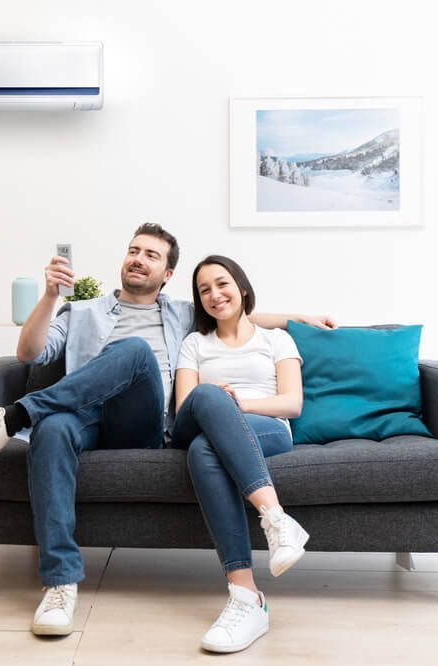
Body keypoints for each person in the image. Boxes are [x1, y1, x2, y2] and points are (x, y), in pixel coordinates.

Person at [0, 223, 334, 637]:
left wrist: (298, 319)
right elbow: (28, 353)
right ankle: (60, 583)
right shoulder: (82, 311)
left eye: (151, 255)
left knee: (134, 350)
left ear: (167, 274)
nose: (138, 259)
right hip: (81, 417)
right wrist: (51, 296)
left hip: (140, 422)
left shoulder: (181, 314)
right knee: (52, 429)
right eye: (134, 250)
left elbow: (235, 314)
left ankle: (11, 418)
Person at [172, 255, 308, 654]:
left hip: (266, 428)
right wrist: (217, 402)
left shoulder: (276, 340)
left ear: (242, 288)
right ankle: (276, 518)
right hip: (198, 421)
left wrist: (237, 406)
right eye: (204, 290)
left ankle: (246, 596)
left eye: (222, 284)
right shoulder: (194, 344)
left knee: (204, 450)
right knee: (206, 397)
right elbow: (184, 406)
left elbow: (292, 403)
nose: (214, 294)